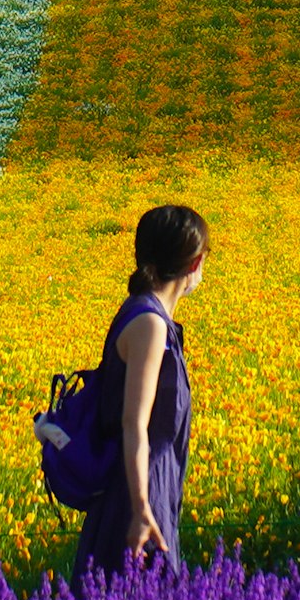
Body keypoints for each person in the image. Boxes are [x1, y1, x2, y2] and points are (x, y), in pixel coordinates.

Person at [79, 203, 207, 576]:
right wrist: (140, 509)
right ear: (194, 264)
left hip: (145, 492)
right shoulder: (150, 326)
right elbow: (134, 425)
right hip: (138, 498)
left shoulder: (141, 313)